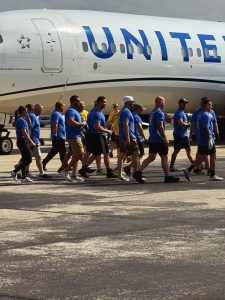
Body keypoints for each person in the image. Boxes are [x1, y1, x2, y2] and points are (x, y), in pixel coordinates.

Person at [138, 96, 180, 183]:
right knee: (164, 157)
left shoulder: (153, 112)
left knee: (151, 157)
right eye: (164, 102)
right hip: (159, 139)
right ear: (161, 102)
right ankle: (167, 176)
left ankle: (138, 172)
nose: (164, 104)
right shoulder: (159, 113)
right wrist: (165, 138)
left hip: (153, 138)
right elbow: (160, 126)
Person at [183, 99, 223, 181]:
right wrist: (209, 138)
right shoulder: (206, 115)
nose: (211, 107)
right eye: (210, 105)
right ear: (206, 105)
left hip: (201, 139)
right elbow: (206, 127)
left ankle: (189, 170)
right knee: (213, 156)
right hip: (206, 139)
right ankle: (212, 174)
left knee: (202, 156)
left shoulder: (200, 114)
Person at [79, 96, 117, 179]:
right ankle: (109, 172)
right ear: (98, 102)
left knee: (95, 153)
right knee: (105, 154)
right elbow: (97, 127)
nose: (105, 104)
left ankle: (84, 169)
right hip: (99, 136)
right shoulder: (97, 114)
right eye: (104, 102)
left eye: (105, 102)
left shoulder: (92, 111)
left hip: (92, 135)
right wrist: (108, 131)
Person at [117, 96, 145, 183]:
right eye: (132, 102)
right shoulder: (126, 112)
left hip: (123, 137)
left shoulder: (122, 111)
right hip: (129, 136)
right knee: (136, 154)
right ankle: (136, 174)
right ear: (128, 102)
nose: (133, 103)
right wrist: (128, 138)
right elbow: (126, 125)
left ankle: (119, 175)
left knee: (121, 156)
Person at [60, 95, 86, 183]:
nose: (79, 102)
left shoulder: (75, 111)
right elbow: (71, 122)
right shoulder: (70, 111)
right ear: (73, 101)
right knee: (80, 153)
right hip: (73, 136)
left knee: (76, 155)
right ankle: (66, 170)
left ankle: (74, 175)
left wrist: (81, 132)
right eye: (78, 101)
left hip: (77, 135)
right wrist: (81, 124)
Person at [11, 106, 36, 183]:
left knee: (25, 159)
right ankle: (15, 171)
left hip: (23, 141)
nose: (27, 112)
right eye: (26, 111)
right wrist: (31, 141)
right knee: (29, 159)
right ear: (23, 112)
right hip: (22, 141)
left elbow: (30, 126)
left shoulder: (22, 119)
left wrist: (28, 117)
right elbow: (24, 133)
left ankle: (23, 177)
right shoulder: (21, 120)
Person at [169, 99, 193, 172]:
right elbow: (180, 123)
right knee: (176, 151)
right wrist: (188, 124)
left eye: (185, 103)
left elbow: (182, 123)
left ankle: (194, 165)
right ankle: (171, 166)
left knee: (188, 151)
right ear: (179, 104)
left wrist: (187, 124)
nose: (185, 105)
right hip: (179, 135)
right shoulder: (178, 112)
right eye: (184, 103)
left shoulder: (182, 112)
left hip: (184, 135)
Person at [123, 103, 147, 177]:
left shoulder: (131, 115)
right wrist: (145, 138)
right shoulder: (136, 117)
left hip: (134, 137)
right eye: (141, 109)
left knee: (137, 155)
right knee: (139, 155)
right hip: (138, 138)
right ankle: (133, 170)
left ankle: (131, 168)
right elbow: (140, 128)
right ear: (137, 109)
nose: (142, 111)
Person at [42, 101, 66, 171]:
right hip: (58, 137)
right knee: (62, 152)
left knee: (54, 151)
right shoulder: (56, 114)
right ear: (59, 107)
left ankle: (44, 163)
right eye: (62, 107)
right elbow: (55, 124)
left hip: (59, 136)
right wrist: (55, 135)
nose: (63, 108)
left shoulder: (57, 114)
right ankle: (64, 166)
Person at [28, 103, 48, 178]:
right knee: (37, 156)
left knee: (28, 157)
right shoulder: (32, 116)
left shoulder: (35, 116)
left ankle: (20, 169)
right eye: (40, 109)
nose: (42, 111)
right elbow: (29, 128)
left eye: (42, 109)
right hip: (33, 140)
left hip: (35, 139)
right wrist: (30, 140)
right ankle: (41, 173)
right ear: (36, 108)